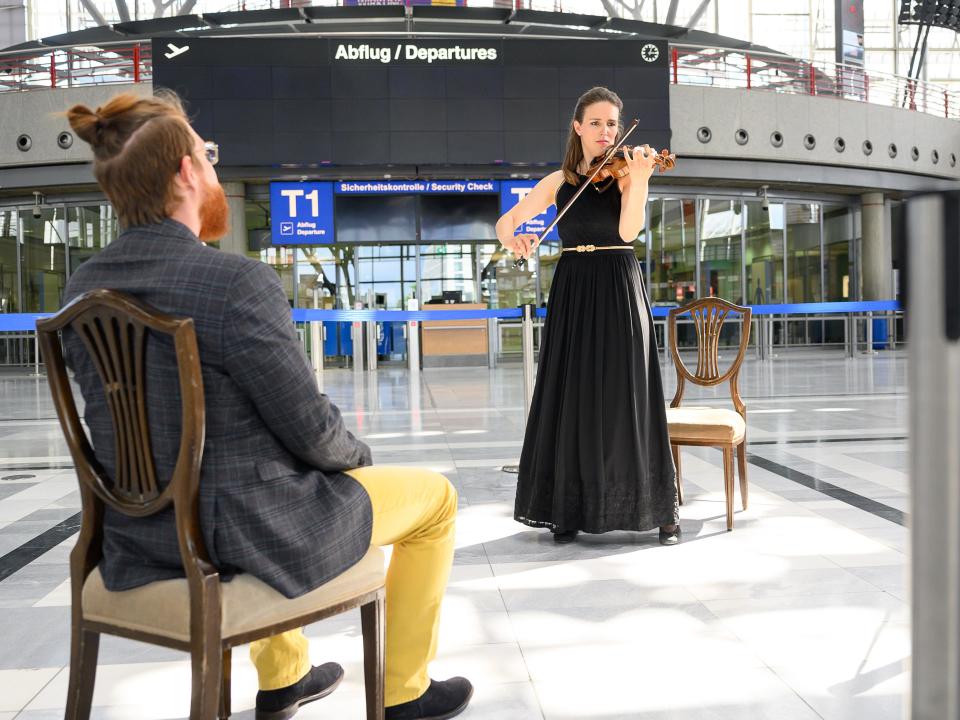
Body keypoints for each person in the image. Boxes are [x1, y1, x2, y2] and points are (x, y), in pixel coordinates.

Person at [61, 91, 472, 720]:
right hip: (245, 536)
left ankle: (285, 678)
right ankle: (405, 692)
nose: (214, 168)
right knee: (434, 501)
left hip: (136, 539)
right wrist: (355, 459)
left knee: (248, 467)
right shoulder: (235, 282)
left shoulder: (83, 286)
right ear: (185, 172)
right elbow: (308, 427)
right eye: (208, 155)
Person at [495, 86, 680, 546]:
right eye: (596, 123)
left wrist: (639, 179)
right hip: (574, 285)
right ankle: (570, 508)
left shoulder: (626, 173)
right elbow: (508, 221)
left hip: (618, 281)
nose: (605, 132)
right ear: (578, 127)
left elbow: (628, 230)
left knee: (628, 393)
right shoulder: (558, 181)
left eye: (612, 124)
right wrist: (512, 239)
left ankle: (658, 510)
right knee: (571, 392)